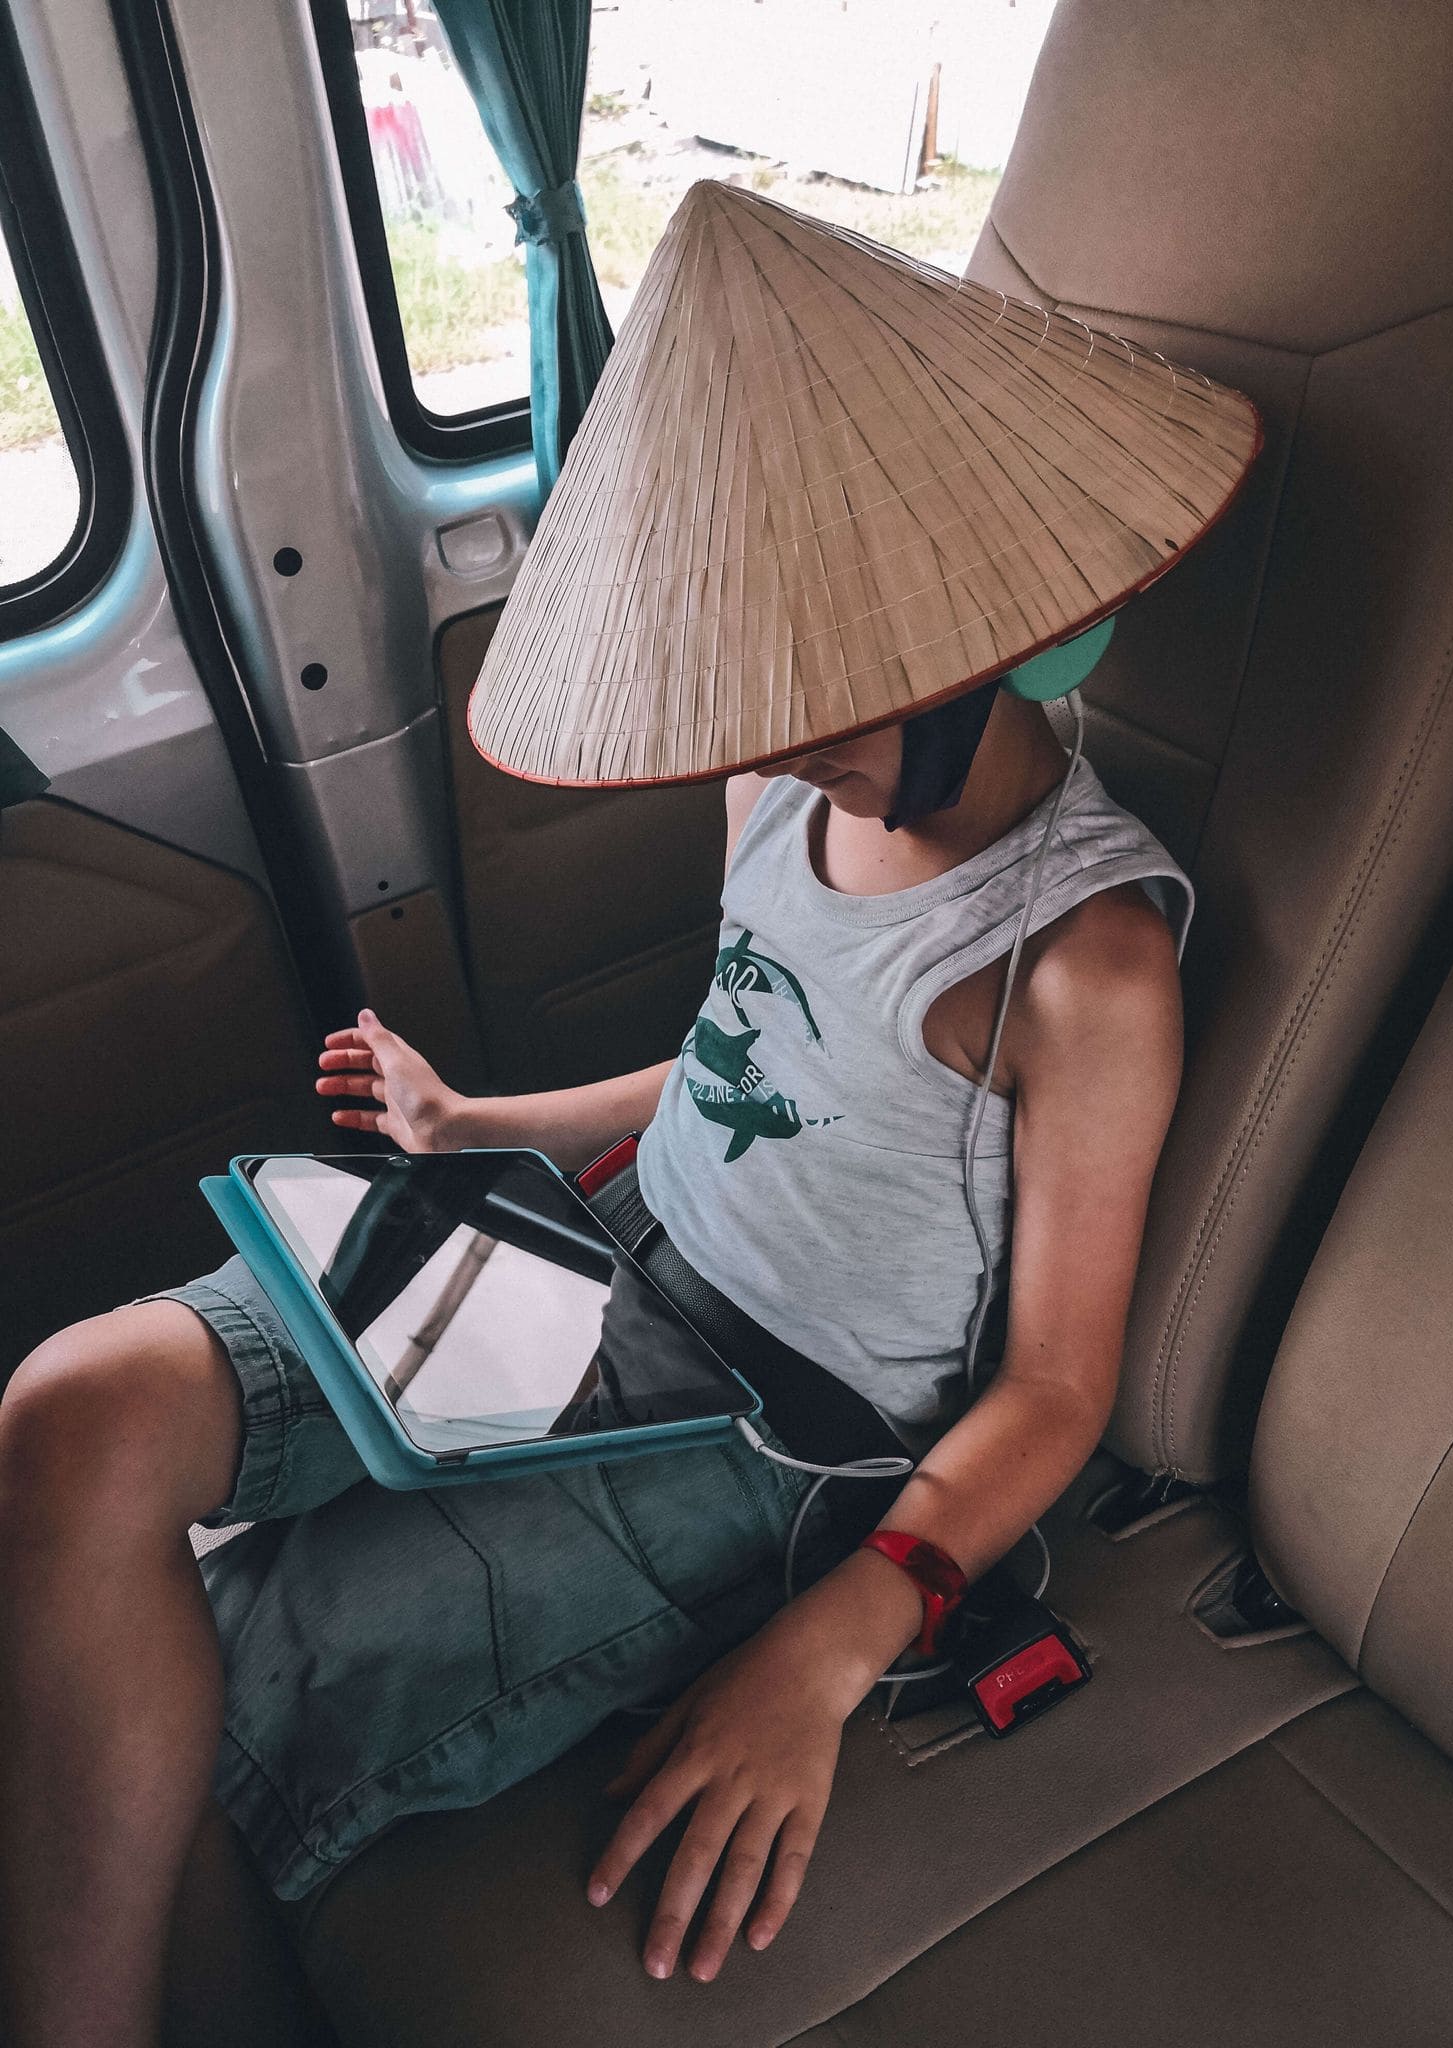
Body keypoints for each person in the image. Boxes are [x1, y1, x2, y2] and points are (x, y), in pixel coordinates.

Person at [0, 181, 1259, 2046]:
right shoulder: (767, 781)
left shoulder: (1081, 961)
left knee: (213, 1708)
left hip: (769, 1429)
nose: (788, 735)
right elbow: (753, 1067)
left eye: (831, 693)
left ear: (1000, 629)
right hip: (587, 1248)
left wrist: (832, 1650)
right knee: (70, 1417)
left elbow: (1062, 1387)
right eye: (760, 693)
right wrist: (470, 1124)